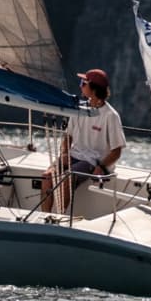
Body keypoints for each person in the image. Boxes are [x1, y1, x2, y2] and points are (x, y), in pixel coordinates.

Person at [40, 68, 124, 213]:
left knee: (67, 178)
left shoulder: (111, 116)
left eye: (83, 83)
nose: (80, 86)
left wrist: (102, 167)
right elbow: (68, 136)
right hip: (73, 156)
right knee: (47, 176)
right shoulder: (78, 109)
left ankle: (59, 217)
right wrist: (65, 153)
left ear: (94, 89)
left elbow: (117, 151)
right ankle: (45, 217)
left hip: (92, 161)